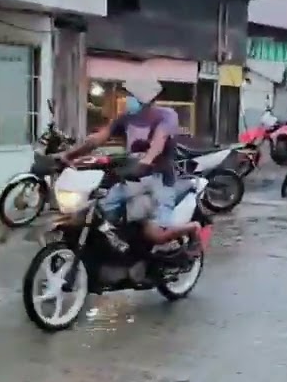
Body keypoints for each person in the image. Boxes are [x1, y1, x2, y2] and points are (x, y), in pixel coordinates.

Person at [57, 78, 203, 255]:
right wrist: (69, 155)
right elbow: (98, 139)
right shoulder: (125, 118)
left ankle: (193, 229)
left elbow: (159, 141)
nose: (127, 99)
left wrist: (146, 161)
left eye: (131, 95)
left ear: (146, 99)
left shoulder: (167, 115)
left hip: (160, 181)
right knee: (96, 213)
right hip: (131, 178)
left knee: (154, 234)